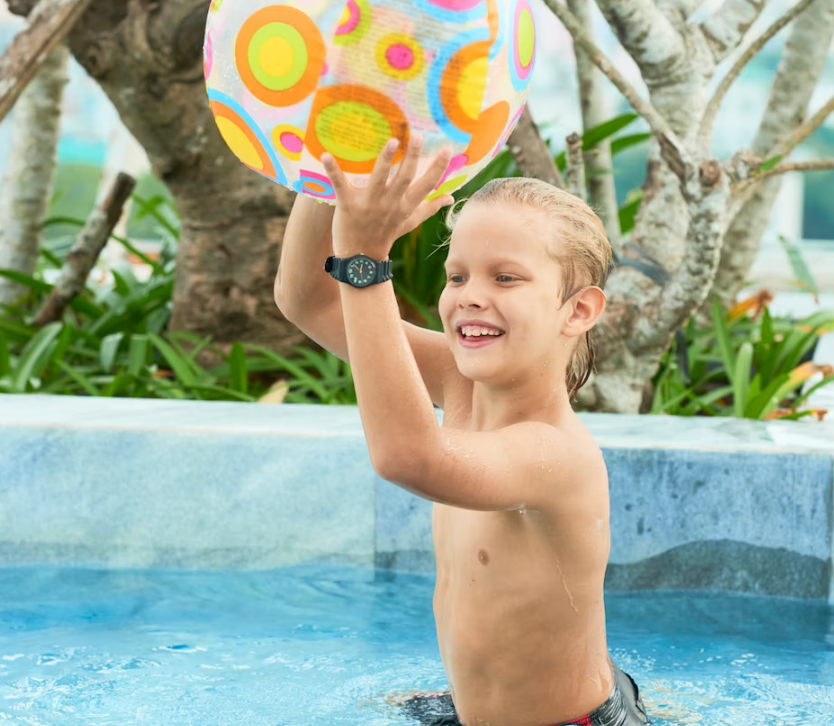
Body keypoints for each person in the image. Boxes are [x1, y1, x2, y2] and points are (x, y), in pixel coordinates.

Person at [274, 135, 651, 726]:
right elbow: (308, 300)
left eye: (506, 279)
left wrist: (366, 259)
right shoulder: (459, 380)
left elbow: (410, 457)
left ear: (578, 311)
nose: (471, 297)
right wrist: (335, 152)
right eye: (457, 277)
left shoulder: (554, 453)